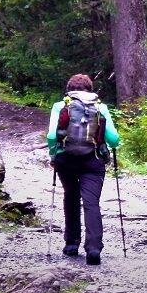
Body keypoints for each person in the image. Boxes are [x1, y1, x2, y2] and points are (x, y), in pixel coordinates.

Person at [46, 74, 120, 265]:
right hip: (93, 161)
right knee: (91, 202)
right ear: (90, 88)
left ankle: (71, 244)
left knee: (71, 196)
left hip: (66, 160)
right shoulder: (100, 106)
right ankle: (94, 248)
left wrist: (54, 155)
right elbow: (114, 139)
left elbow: (52, 135)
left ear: (69, 88)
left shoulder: (60, 105)